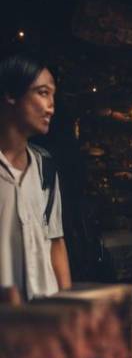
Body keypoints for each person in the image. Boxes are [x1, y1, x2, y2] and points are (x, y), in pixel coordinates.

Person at [0, 54, 70, 300]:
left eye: (52, 95)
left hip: (45, 318)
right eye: (42, 93)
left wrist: (68, 307)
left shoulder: (45, 166)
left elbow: (56, 242)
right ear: (11, 95)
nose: (51, 105)